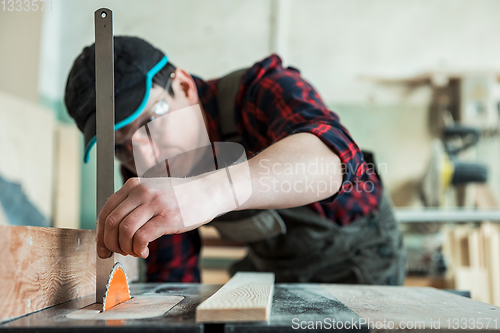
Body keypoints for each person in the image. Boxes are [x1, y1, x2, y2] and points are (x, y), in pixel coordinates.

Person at [65, 36, 405, 285]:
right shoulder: (142, 165)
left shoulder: (259, 91)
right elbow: (173, 271)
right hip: (275, 262)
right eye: (121, 146)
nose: (146, 155)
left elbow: (334, 162)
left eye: (150, 124)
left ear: (183, 86)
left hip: (361, 250)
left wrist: (209, 192)